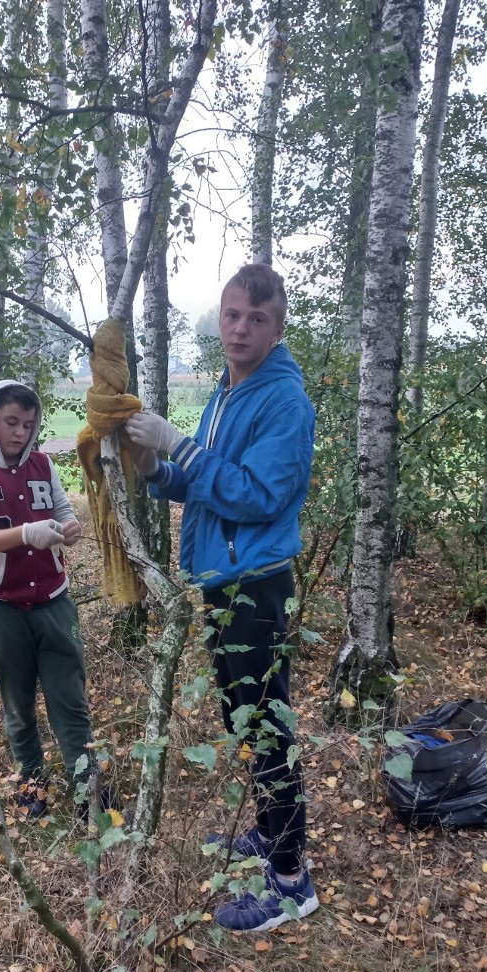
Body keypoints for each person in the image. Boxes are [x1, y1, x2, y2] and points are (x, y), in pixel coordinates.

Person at [124, 263, 317, 932]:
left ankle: (292, 882)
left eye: (256, 319)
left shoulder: (283, 402)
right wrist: (157, 470)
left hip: (257, 584)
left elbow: (258, 495)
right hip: (222, 579)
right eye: (233, 314)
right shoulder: (229, 391)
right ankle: (267, 833)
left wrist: (176, 442)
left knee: (268, 728)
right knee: (245, 720)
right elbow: (207, 485)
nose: (240, 328)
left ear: (277, 326)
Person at [0, 380, 96, 819]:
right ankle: (33, 785)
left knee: (70, 698)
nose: (19, 433)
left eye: (28, 425)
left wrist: (69, 528)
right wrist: (24, 534)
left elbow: (64, 512)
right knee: (18, 703)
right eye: (10, 422)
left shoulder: (43, 465)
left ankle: (88, 790)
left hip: (53, 601)